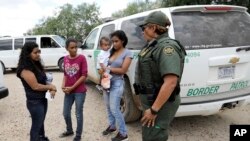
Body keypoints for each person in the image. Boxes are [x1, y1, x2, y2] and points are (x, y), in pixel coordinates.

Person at [135, 11, 186, 141]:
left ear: (153, 28)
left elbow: (171, 82)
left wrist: (153, 111)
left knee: (154, 137)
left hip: (159, 104)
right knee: (150, 135)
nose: (142, 31)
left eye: (144, 27)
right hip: (152, 100)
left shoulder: (166, 48)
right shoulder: (153, 46)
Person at [16, 42, 57, 141]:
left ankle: (42, 138)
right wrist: (50, 87)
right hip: (35, 102)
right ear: (28, 54)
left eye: (39, 52)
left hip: (42, 99)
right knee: (36, 126)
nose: (38, 54)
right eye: (35, 52)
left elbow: (43, 79)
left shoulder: (36, 64)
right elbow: (35, 86)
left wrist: (50, 87)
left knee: (41, 123)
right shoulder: (25, 70)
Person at [101, 30, 132, 141]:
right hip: (107, 82)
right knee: (108, 107)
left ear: (123, 40)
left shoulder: (127, 53)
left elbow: (123, 69)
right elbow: (104, 64)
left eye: (116, 41)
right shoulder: (111, 51)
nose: (114, 44)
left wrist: (109, 69)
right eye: (113, 41)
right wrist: (103, 70)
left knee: (115, 109)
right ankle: (112, 126)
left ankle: (123, 134)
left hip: (117, 83)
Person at [60, 38, 88, 141]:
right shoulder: (65, 58)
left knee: (78, 114)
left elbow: (84, 76)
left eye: (76, 47)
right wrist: (63, 86)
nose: (75, 49)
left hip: (79, 91)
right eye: (72, 47)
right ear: (67, 48)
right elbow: (65, 74)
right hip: (68, 91)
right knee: (65, 113)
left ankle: (78, 135)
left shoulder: (82, 58)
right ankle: (69, 130)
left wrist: (72, 87)